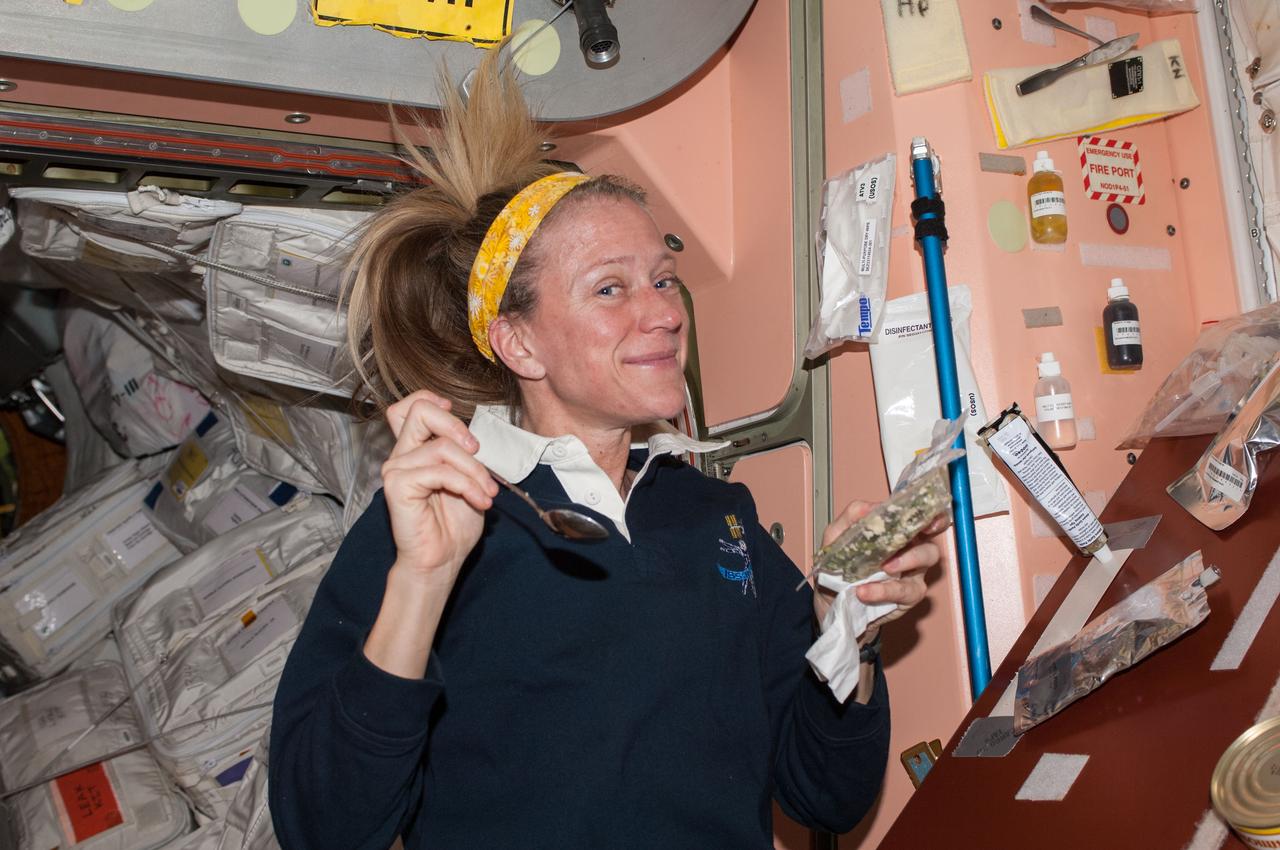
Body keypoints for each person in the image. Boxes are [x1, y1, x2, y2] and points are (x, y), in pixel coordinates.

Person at [268, 49, 941, 850]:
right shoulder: (433, 519)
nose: (664, 313)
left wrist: (846, 629)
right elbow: (324, 829)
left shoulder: (717, 515)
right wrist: (423, 581)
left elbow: (826, 795)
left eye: (663, 279)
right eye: (611, 288)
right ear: (519, 343)